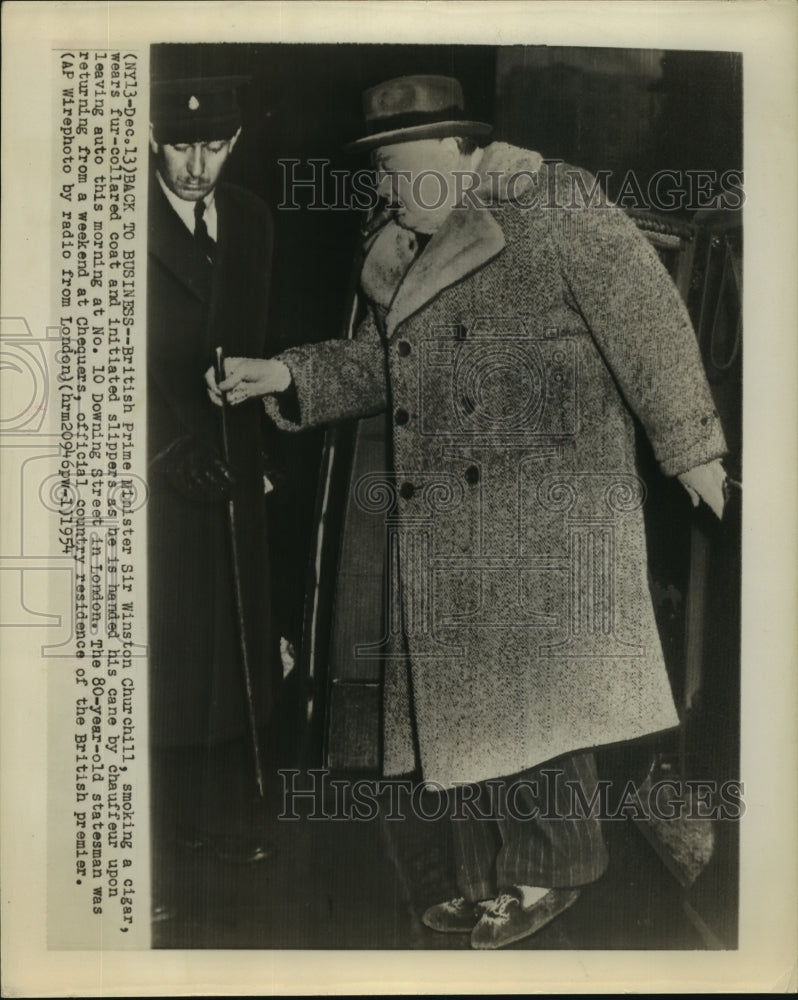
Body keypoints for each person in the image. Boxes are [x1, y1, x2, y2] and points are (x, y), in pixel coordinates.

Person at [208, 74, 728, 948]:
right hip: (449, 516)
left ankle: (547, 872)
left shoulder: (556, 204)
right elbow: (387, 366)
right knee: (464, 718)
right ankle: (484, 876)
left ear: (461, 150)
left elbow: (652, 326)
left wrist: (695, 452)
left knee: (539, 711)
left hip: (548, 511)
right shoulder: (408, 239)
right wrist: (289, 374)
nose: (387, 188)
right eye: (379, 171)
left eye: (401, 168)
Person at [147, 74, 286, 891]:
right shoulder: (108, 223)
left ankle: (218, 817)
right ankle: (157, 847)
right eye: (180, 144)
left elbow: (260, 342)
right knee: (164, 651)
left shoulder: (255, 222)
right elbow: (90, 357)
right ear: (154, 140)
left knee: (231, 651)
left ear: (234, 144)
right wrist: (164, 449)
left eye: (213, 146)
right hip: (154, 476)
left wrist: (262, 454)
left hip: (233, 465)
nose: (195, 165)